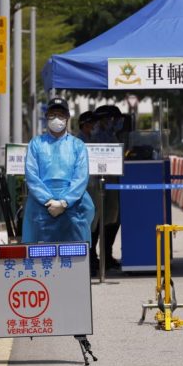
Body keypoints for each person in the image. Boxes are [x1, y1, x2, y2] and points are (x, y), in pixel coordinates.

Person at [21, 97, 95, 245]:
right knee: (41, 255)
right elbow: (32, 175)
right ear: (46, 117)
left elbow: (81, 177)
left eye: (61, 115)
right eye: (52, 115)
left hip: (72, 205)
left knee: (75, 253)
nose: (56, 119)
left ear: (67, 117)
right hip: (41, 206)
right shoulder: (36, 144)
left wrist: (64, 202)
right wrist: (48, 200)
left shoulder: (77, 145)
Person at [91, 105, 122, 269]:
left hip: (111, 183)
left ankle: (106, 255)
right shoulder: (96, 136)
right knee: (98, 221)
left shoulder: (110, 135)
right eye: (114, 119)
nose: (116, 122)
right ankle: (93, 257)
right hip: (99, 185)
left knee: (112, 220)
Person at [76, 111, 101, 276]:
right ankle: (89, 258)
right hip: (86, 188)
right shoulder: (79, 141)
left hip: (93, 185)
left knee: (95, 223)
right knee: (88, 223)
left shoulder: (90, 140)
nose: (94, 127)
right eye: (92, 123)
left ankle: (93, 257)